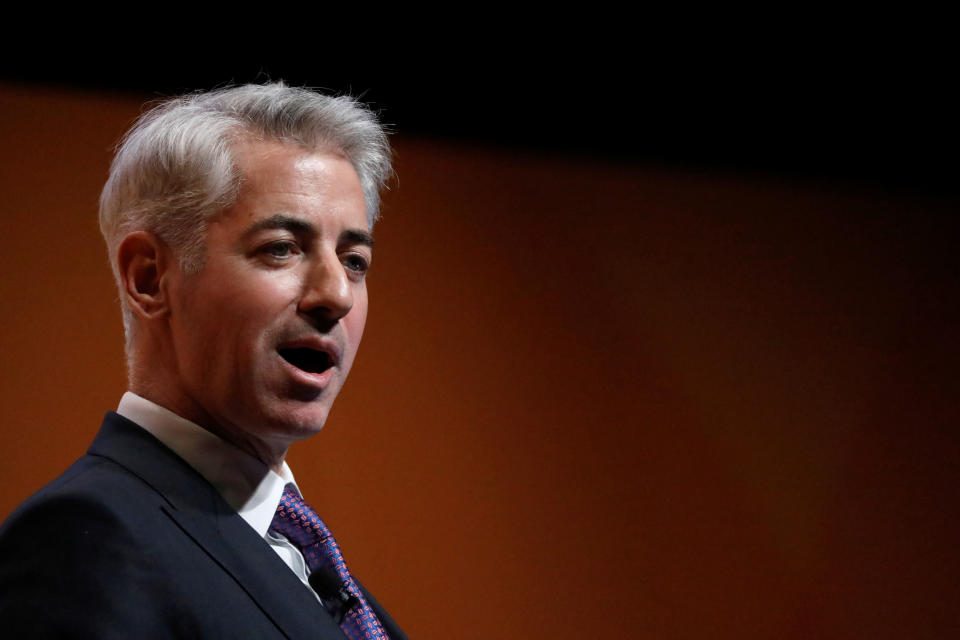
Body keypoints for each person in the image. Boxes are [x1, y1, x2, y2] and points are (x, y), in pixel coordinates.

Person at [0, 83, 407, 639]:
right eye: (282, 247)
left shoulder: (313, 569)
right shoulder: (86, 538)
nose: (336, 294)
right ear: (148, 278)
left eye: (354, 260)